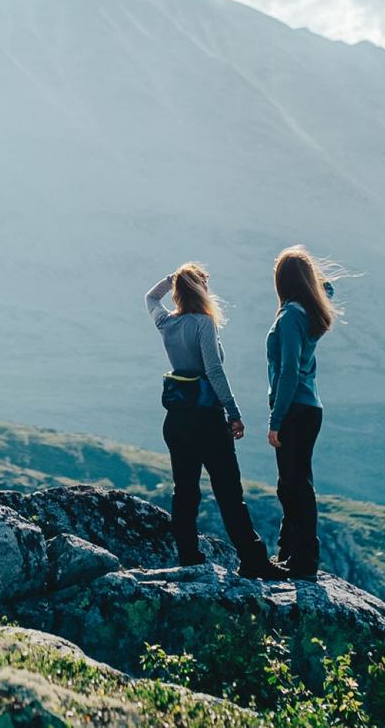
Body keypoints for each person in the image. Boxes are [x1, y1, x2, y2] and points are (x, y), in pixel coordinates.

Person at [147, 264, 278, 578]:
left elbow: (151, 298)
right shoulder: (204, 324)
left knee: (185, 490)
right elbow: (214, 371)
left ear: (179, 291)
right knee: (228, 491)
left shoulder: (167, 322)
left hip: (176, 418)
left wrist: (172, 279)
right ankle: (253, 559)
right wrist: (233, 412)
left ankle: (189, 557)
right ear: (201, 290)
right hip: (206, 418)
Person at [265, 246, 338, 580]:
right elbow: (328, 290)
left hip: (294, 408)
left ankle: (302, 560)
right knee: (292, 483)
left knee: (294, 484)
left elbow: (289, 371)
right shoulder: (309, 310)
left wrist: (275, 419)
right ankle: (290, 552)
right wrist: (309, 275)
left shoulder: (293, 315)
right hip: (309, 407)